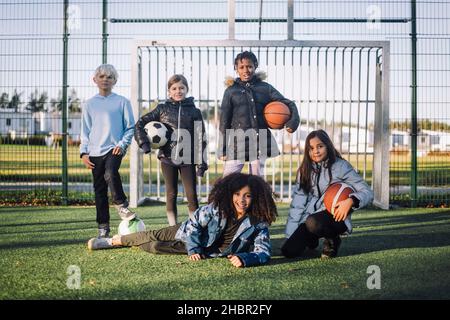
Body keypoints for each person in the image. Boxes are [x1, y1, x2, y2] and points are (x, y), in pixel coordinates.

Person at [87, 172, 278, 268]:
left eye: (247, 196)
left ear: (256, 198)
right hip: (187, 233)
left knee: (154, 246)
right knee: (152, 234)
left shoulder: (257, 224)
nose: (242, 200)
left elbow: (264, 252)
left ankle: (137, 244)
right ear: (229, 194)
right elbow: (194, 225)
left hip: (206, 251)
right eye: (237, 194)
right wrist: (193, 248)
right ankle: (113, 241)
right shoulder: (216, 209)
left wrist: (246, 259)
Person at [281, 129, 374, 259]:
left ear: (328, 146)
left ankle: (333, 239)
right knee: (288, 251)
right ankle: (312, 238)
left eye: (320, 146)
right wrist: (291, 233)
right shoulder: (304, 170)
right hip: (311, 217)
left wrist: (351, 200)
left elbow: (367, 192)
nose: (316, 151)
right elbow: (298, 203)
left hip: (335, 216)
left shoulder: (341, 166)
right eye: (311, 148)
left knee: (313, 223)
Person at [134, 74, 208, 226]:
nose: (178, 91)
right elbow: (140, 123)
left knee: (192, 195)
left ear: (187, 89)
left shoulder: (195, 112)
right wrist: (145, 144)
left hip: (188, 159)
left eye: (181, 88)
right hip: (167, 158)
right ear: (169, 91)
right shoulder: (162, 109)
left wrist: (201, 163)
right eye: (174, 88)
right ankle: (173, 227)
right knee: (171, 194)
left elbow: (201, 138)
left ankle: (195, 227)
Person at [219, 51, 300, 176]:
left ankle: (260, 196)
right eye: (241, 67)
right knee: (226, 182)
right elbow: (224, 121)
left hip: (259, 143)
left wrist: (292, 122)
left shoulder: (265, 88)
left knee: (257, 182)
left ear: (255, 66)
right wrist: (223, 149)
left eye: (249, 66)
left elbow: (288, 103)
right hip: (237, 144)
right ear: (236, 69)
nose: (246, 70)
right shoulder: (231, 91)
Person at [80, 64, 136, 238]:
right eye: (102, 76)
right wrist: (84, 152)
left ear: (115, 81)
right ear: (95, 80)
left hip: (114, 149)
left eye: (109, 77)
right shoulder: (89, 104)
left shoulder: (122, 102)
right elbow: (85, 131)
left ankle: (121, 205)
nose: (105, 79)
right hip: (94, 152)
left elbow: (130, 127)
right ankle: (103, 227)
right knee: (99, 191)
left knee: (111, 173)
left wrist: (123, 143)